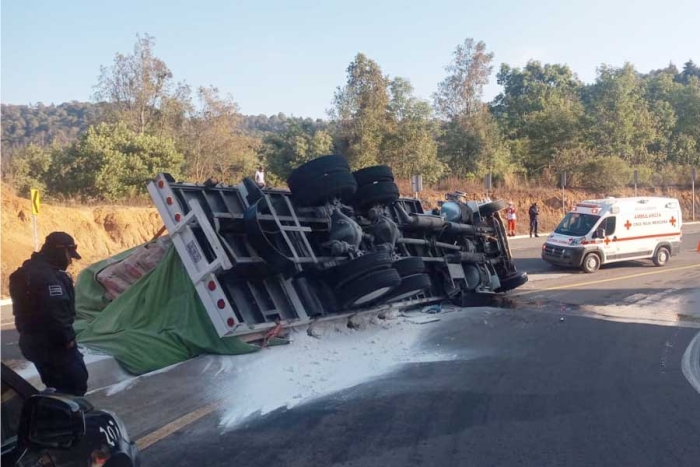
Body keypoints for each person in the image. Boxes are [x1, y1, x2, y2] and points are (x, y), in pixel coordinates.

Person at [9, 232, 88, 396]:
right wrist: (68, 340)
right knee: (74, 385)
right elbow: (55, 312)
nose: (70, 260)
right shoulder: (47, 277)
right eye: (69, 255)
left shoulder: (28, 271)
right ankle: (67, 419)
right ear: (60, 251)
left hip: (33, 342)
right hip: (54, 344)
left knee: (55, 385)